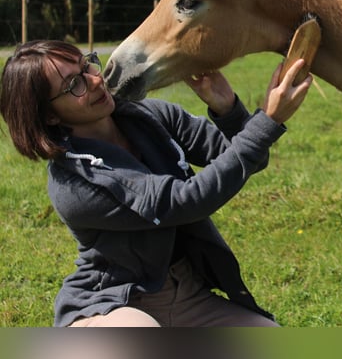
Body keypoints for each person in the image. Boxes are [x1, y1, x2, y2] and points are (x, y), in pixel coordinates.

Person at [0, 39, 313, 327]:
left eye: (87, 65)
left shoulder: (151, 115)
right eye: (74, 84)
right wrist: (268, 121)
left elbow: (249, 159)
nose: (96, 80)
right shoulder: (73, 186)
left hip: (189, 295)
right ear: (50, 116)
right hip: (113, 307)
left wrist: (227, 108)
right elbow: (183, 203)